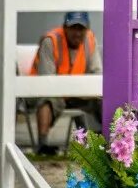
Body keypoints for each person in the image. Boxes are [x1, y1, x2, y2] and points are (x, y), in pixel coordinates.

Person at [31, 11, 102, 155]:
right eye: (73, 28)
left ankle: (104, 142)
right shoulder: (51, 41)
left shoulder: (90, 40)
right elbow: (47, 80)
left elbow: (97, 73)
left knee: (103, 99)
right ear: (65, 27)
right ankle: (42, 146)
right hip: (48, 92)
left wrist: (84, 90)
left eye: (81, 29)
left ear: (87, 29)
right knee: (46, 101)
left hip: (78, 93)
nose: (77, 33)